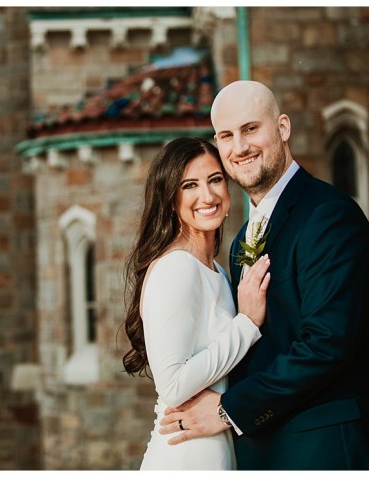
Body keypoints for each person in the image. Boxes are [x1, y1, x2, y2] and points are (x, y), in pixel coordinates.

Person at [158, 80, 369, 470]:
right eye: (226, 136)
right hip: (263, 453)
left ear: (282, 128)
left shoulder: (328, 216)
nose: (240, 147)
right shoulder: (239, 243)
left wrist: (226, 410)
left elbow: (327, 343)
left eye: (251, 129)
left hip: (325, 451)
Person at [123, 136, 271, 469]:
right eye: (190, 185)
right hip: (185, 455)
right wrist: (246, 325)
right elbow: (173, 385)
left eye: (215, 180)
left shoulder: (217, 270)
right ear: (170, 198)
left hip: (216, 448)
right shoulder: (177, 267)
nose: (207, 196)